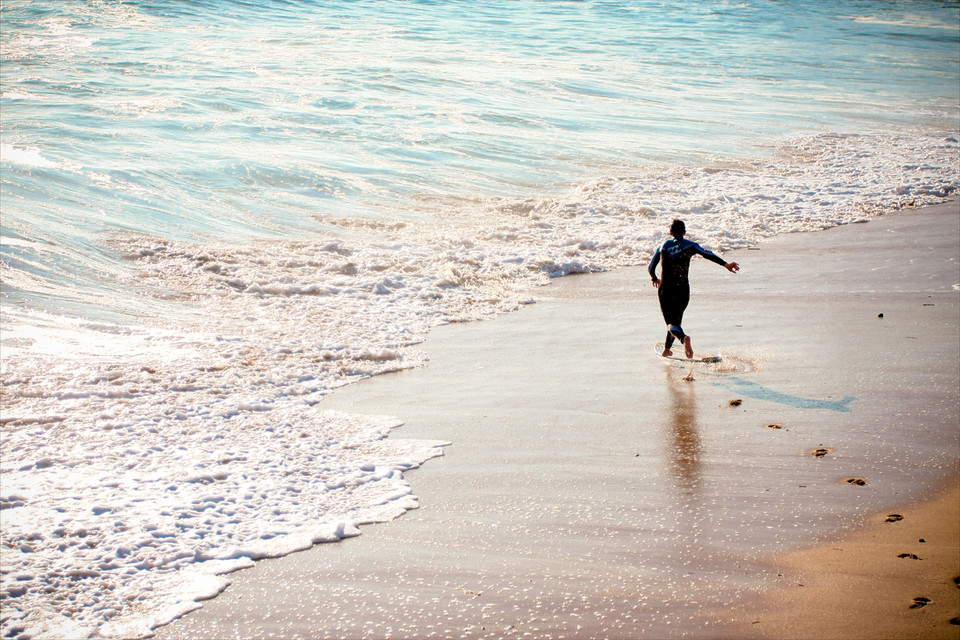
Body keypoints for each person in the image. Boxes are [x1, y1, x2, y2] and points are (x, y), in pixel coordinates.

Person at [648, 219, 739, 358]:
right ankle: (667, 349)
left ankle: (684, 339)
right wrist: (726, 264)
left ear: (670, 232)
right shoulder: (690, 245)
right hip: (683, 290)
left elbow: (651, 267)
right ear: (684, 232)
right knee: (675, 322)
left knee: (671, 323)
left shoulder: (663, 246)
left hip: (666, 290)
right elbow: (707, 253)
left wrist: (654, 278)